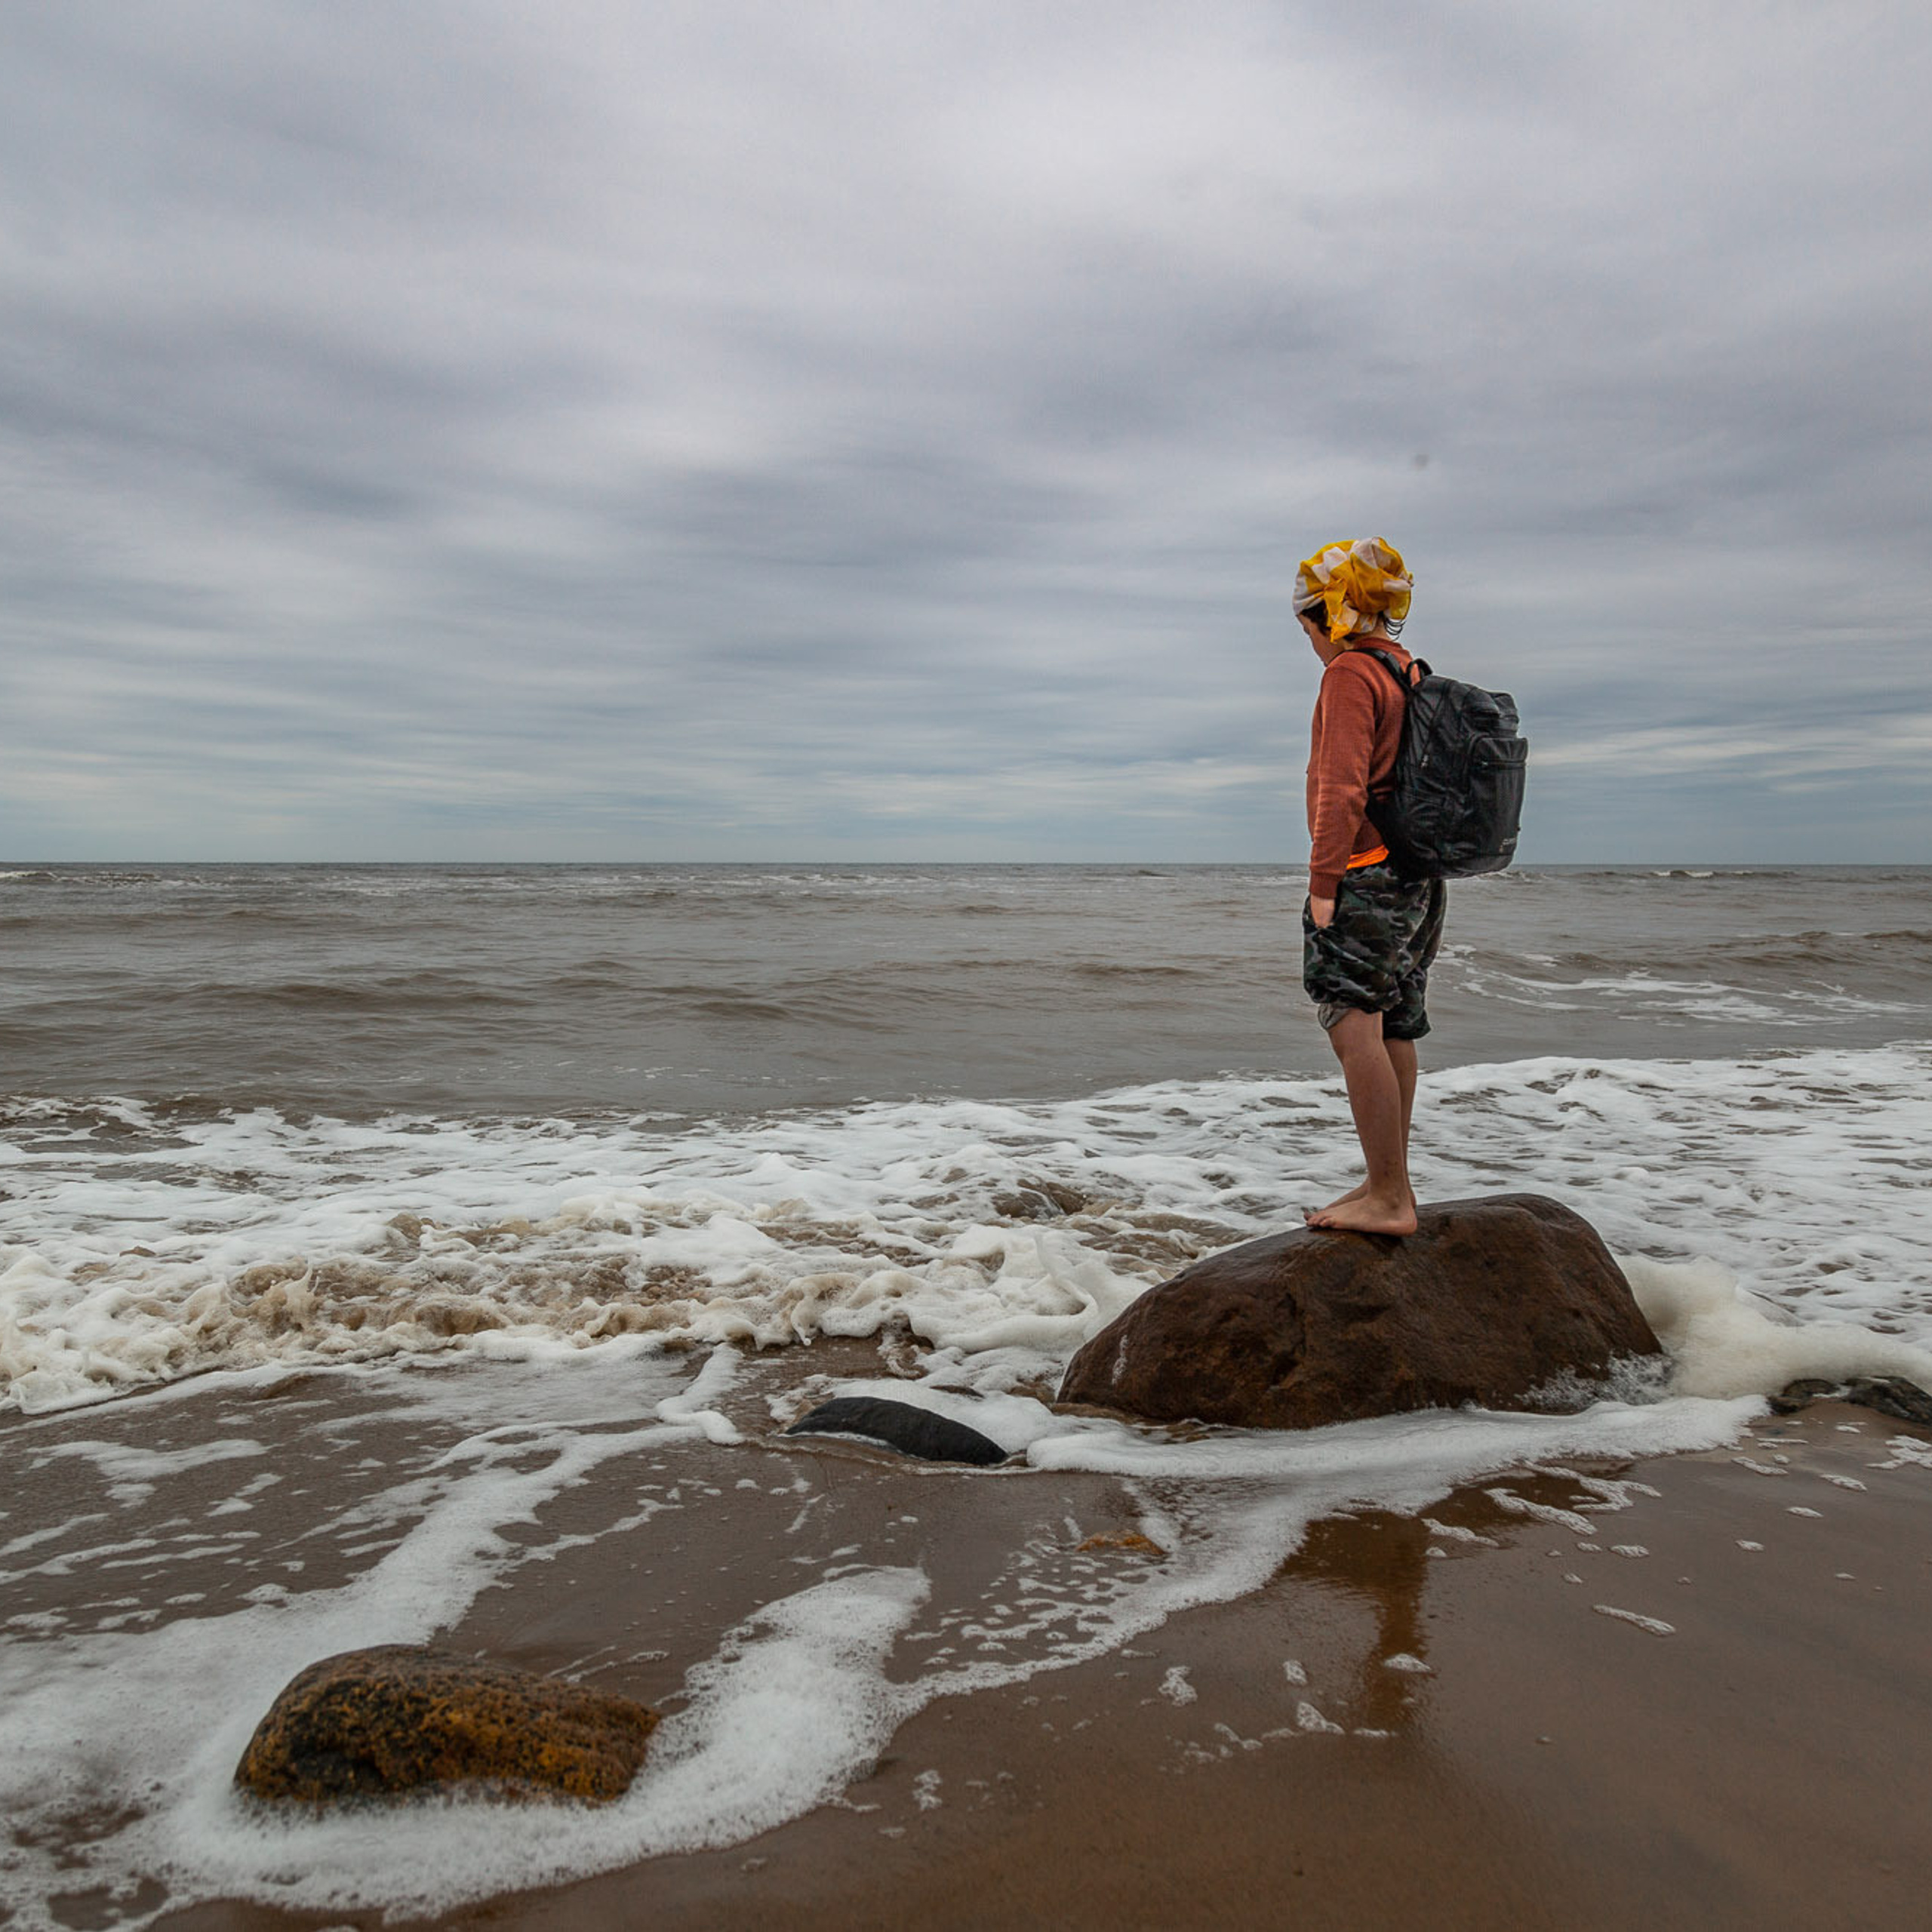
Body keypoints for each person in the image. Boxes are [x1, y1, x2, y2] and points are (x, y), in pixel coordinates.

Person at [1294, 537, 1445, 1237]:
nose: (1312, 645)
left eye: (1308, 628)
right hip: (1418, 873)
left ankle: (1389, 1197)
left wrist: (1325, 882)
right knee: (1394, 1022)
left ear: (1328, 613)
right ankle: (1389, 1181)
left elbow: (1340, 786)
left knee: (1352, 1022)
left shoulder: (1352, 673)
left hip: (1366, 873)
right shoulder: (1407, 668)